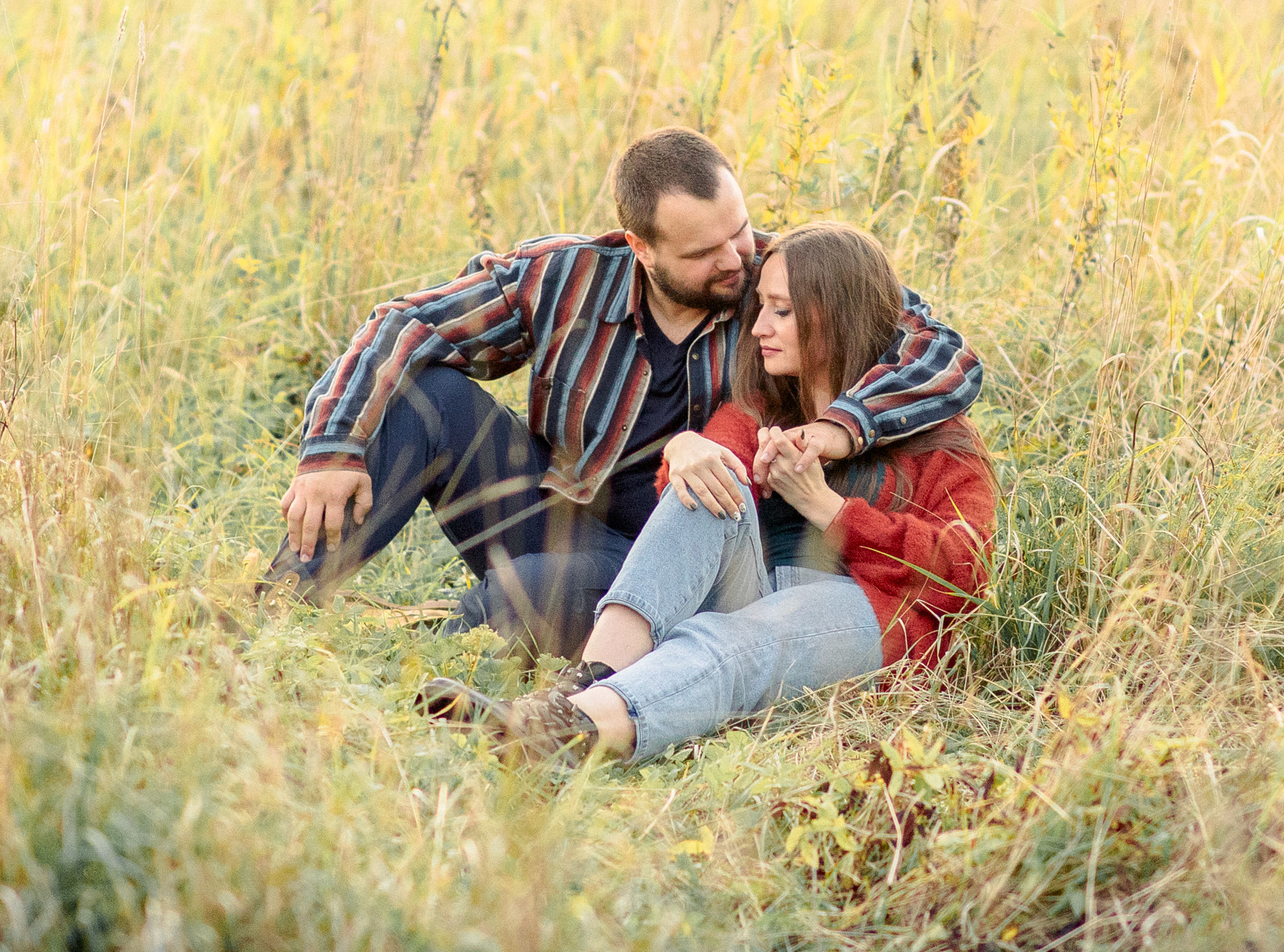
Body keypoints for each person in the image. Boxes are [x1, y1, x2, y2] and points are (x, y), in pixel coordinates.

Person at [264, 130, 981, 654]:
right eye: (703, 252)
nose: (736, 258)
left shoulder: (780, 281)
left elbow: (940, 350)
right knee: (428, 394)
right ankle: (278, 612)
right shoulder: (564, 276)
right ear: (641, 247)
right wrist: (331, 448)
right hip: (550, 508)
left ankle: (445, 652)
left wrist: (839, 427)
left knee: (525, 597)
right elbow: (408, 321)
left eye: (738, 230)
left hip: (678, 552)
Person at [419, 221, 996, 764]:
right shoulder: (766, 406)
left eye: (783, 311)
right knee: (709, 479)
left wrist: (828, 508)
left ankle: (566, 734)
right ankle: (588, 678)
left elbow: (964, 573)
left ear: (835, 319)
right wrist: (686, 449)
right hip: (762, 589)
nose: (761, 326)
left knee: (729, 640)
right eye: (762, 306)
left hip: (876, 619)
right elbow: (692, 495)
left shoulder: (940, 438)